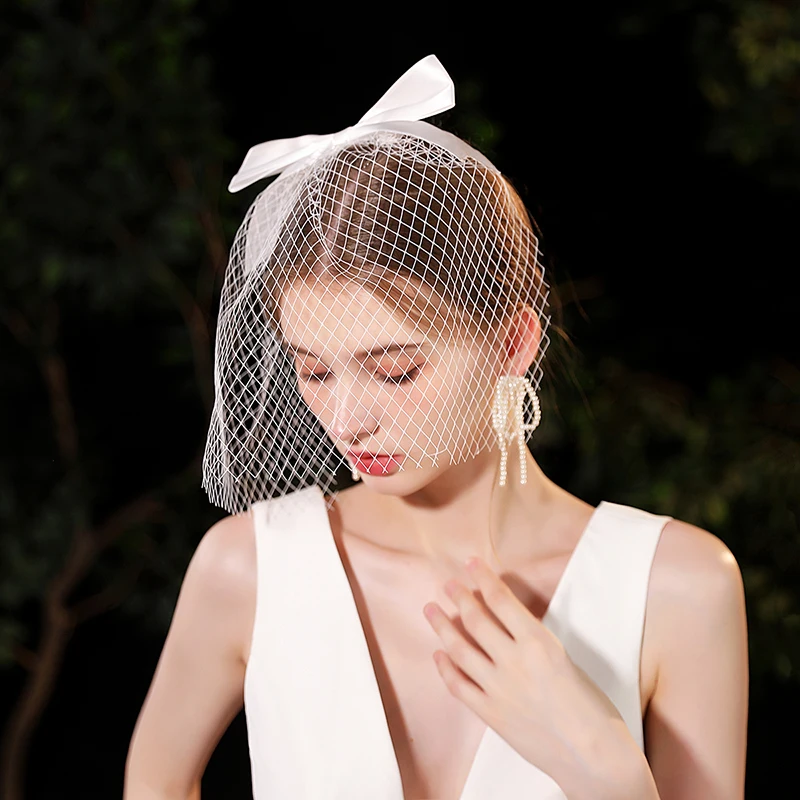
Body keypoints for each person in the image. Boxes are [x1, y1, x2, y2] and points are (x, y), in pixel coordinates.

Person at [124, 56, 749, 799]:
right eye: (314, 372)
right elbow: (155, 782)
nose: (346, 421)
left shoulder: (678, 587)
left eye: (395, 371)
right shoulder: (248, 569)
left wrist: (600, 764)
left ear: (513, 343)